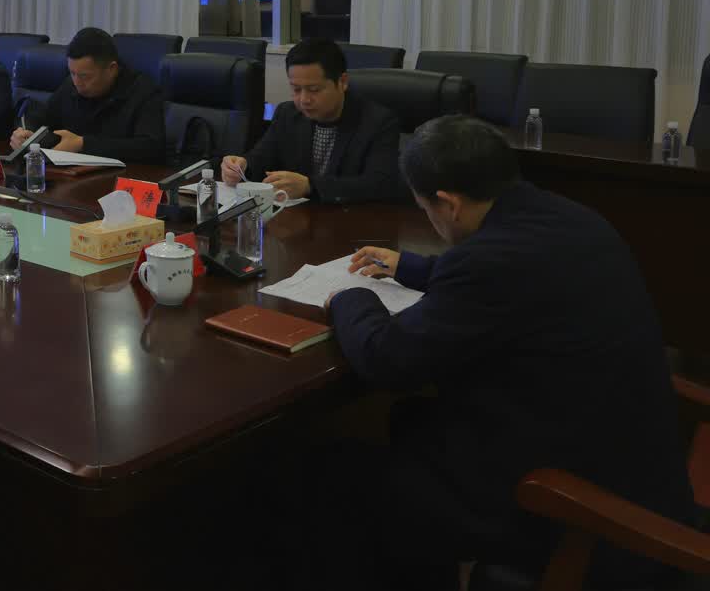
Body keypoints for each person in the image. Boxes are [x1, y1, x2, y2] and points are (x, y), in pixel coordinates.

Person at [309, 116, 694, 589]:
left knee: (343, 476)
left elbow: (387, 359)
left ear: (449, 204)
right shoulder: (571, 217)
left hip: (575, 503)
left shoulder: (487, 261)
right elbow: (519, 281)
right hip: (635, 462)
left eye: (426, 209)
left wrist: (349, 298)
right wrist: (414, 268)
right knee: (410, 422)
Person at [220, 37, 402, 204]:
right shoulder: (287, 114)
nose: (304, 100)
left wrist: (310, 186)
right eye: (296, 89)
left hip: (351, 220)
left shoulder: (378, 122)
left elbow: (380, 185)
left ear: (343, 82)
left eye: (314, 90)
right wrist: (241, 167)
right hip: (296, 220)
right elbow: (261, 158)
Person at [7, 27, 164, 163]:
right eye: (72, 73)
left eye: (85, 76)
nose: (77, 82)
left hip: (124, 178)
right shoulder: (71, 85)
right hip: (73, 175)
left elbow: (150, 147)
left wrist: (83, 144)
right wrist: (25, 132)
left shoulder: (143, 91)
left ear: (112, 69)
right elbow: (44, 116)